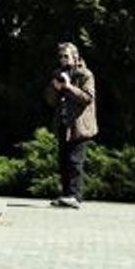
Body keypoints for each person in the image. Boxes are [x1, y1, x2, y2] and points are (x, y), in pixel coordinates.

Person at [47, 41, 97, 207]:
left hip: (79, 126)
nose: (63, 59)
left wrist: (69, 87)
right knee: (63, 161)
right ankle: (65, 195)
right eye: (61, 56)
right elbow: (50, 101)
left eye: (66, 56)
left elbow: (88, 98)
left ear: (75, 57)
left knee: (75, 161)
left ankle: (75, 196)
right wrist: (56, 88)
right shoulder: (58, 74)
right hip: (63, 124)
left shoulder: (85, 75)